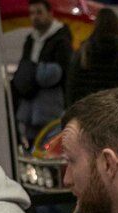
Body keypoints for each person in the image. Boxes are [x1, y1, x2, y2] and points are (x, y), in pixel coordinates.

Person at [12, 0, 72, 147]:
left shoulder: (61, 39)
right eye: (32, 13)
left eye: (39, 12)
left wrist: (33, 72)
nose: (35, 17)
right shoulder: (30, 40)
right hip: (29, 110)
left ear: (50, 13)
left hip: (51, 109)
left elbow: (59, 74)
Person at [65, 9, 118, 106]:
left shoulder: (83, 53)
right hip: (114, 111)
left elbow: (71, 87)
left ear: (96, 25)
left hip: (86, 110)